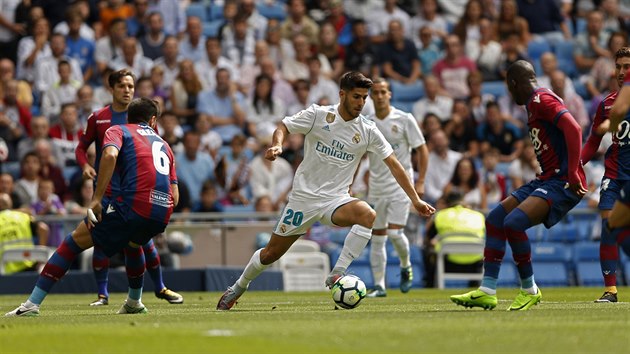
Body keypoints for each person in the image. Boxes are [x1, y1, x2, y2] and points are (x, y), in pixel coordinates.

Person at [216, 72, 435, 310]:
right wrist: (278, 144)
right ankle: (238, 287)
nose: (361, 103)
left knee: (368, 215)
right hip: (303, 199)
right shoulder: (319, 115)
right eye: (356, 97)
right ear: (342, 94)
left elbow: (394, 164)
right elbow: (284, 126)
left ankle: (336, 274)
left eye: (364, 98)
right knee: (270, 254)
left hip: (336, 199)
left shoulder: (368, 130)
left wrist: (415, 199)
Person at [5, 97, 179, 317]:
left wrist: (96, 198)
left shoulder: (119, 130)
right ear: (153, 120)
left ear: (128, 117)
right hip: (162, 213)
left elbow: (109, 154)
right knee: (134, 244)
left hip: (134, 205)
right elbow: (175, 195)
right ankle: (134, 302)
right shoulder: (165, 145)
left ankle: (32, 304)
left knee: (73, 241)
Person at [450, 60, 587, 311]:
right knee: (495, 219)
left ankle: (530, 289)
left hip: (561, 181)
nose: (509, 93)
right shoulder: (534, 104)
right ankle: (487, 290)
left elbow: (575, 128)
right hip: (547, 178)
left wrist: (572, 171)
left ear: (514, 84)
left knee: (513, 223)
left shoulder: (540, 100)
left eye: (508, 87)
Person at [75, 69, 183, 306]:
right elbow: (81, 147)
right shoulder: (99, 118)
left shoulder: (143, 119)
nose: (127, 91)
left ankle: (159, 287)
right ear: (111, 88)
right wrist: (84, 165)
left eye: (131, 87)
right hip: (106, 188)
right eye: (122, 86)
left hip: (133, 192)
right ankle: (103, 294)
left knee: (143, 242)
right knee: (101, 239)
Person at [365, 78, 428, 297]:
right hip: (376, 186)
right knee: (377, 236)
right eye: (376, 93)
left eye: (384, 92)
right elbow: (359, 156)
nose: (380, 96)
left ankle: (405, 265)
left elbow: (422, 149)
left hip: (401, 185)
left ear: (390, 94)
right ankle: (380, 286)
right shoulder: (367, 122)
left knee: (394, 233)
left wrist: (420, 181)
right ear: (371, 96)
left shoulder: (404, 119)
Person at [586, 46, 630, 302]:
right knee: (608, 227)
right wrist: (574, 167)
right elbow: (593, 141)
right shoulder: (608, 103)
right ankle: (610, 290)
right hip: (614, 174)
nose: (623, 72)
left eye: (627, 66)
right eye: (619, 67)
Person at [423, 191, 485, 288]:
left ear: (447, 203)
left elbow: (428, 239)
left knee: (427, 251)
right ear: (464, 202)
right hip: (474, 263)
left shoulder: (440, 215)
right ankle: (474, 287)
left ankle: (430, 285)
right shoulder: (478, 216)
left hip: (447, 263)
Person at [0, 193, 49, 275]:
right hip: (29, 265)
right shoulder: (23, 216)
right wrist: (40, 257)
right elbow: (43, 229)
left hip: (5, 270)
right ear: (10, 203)